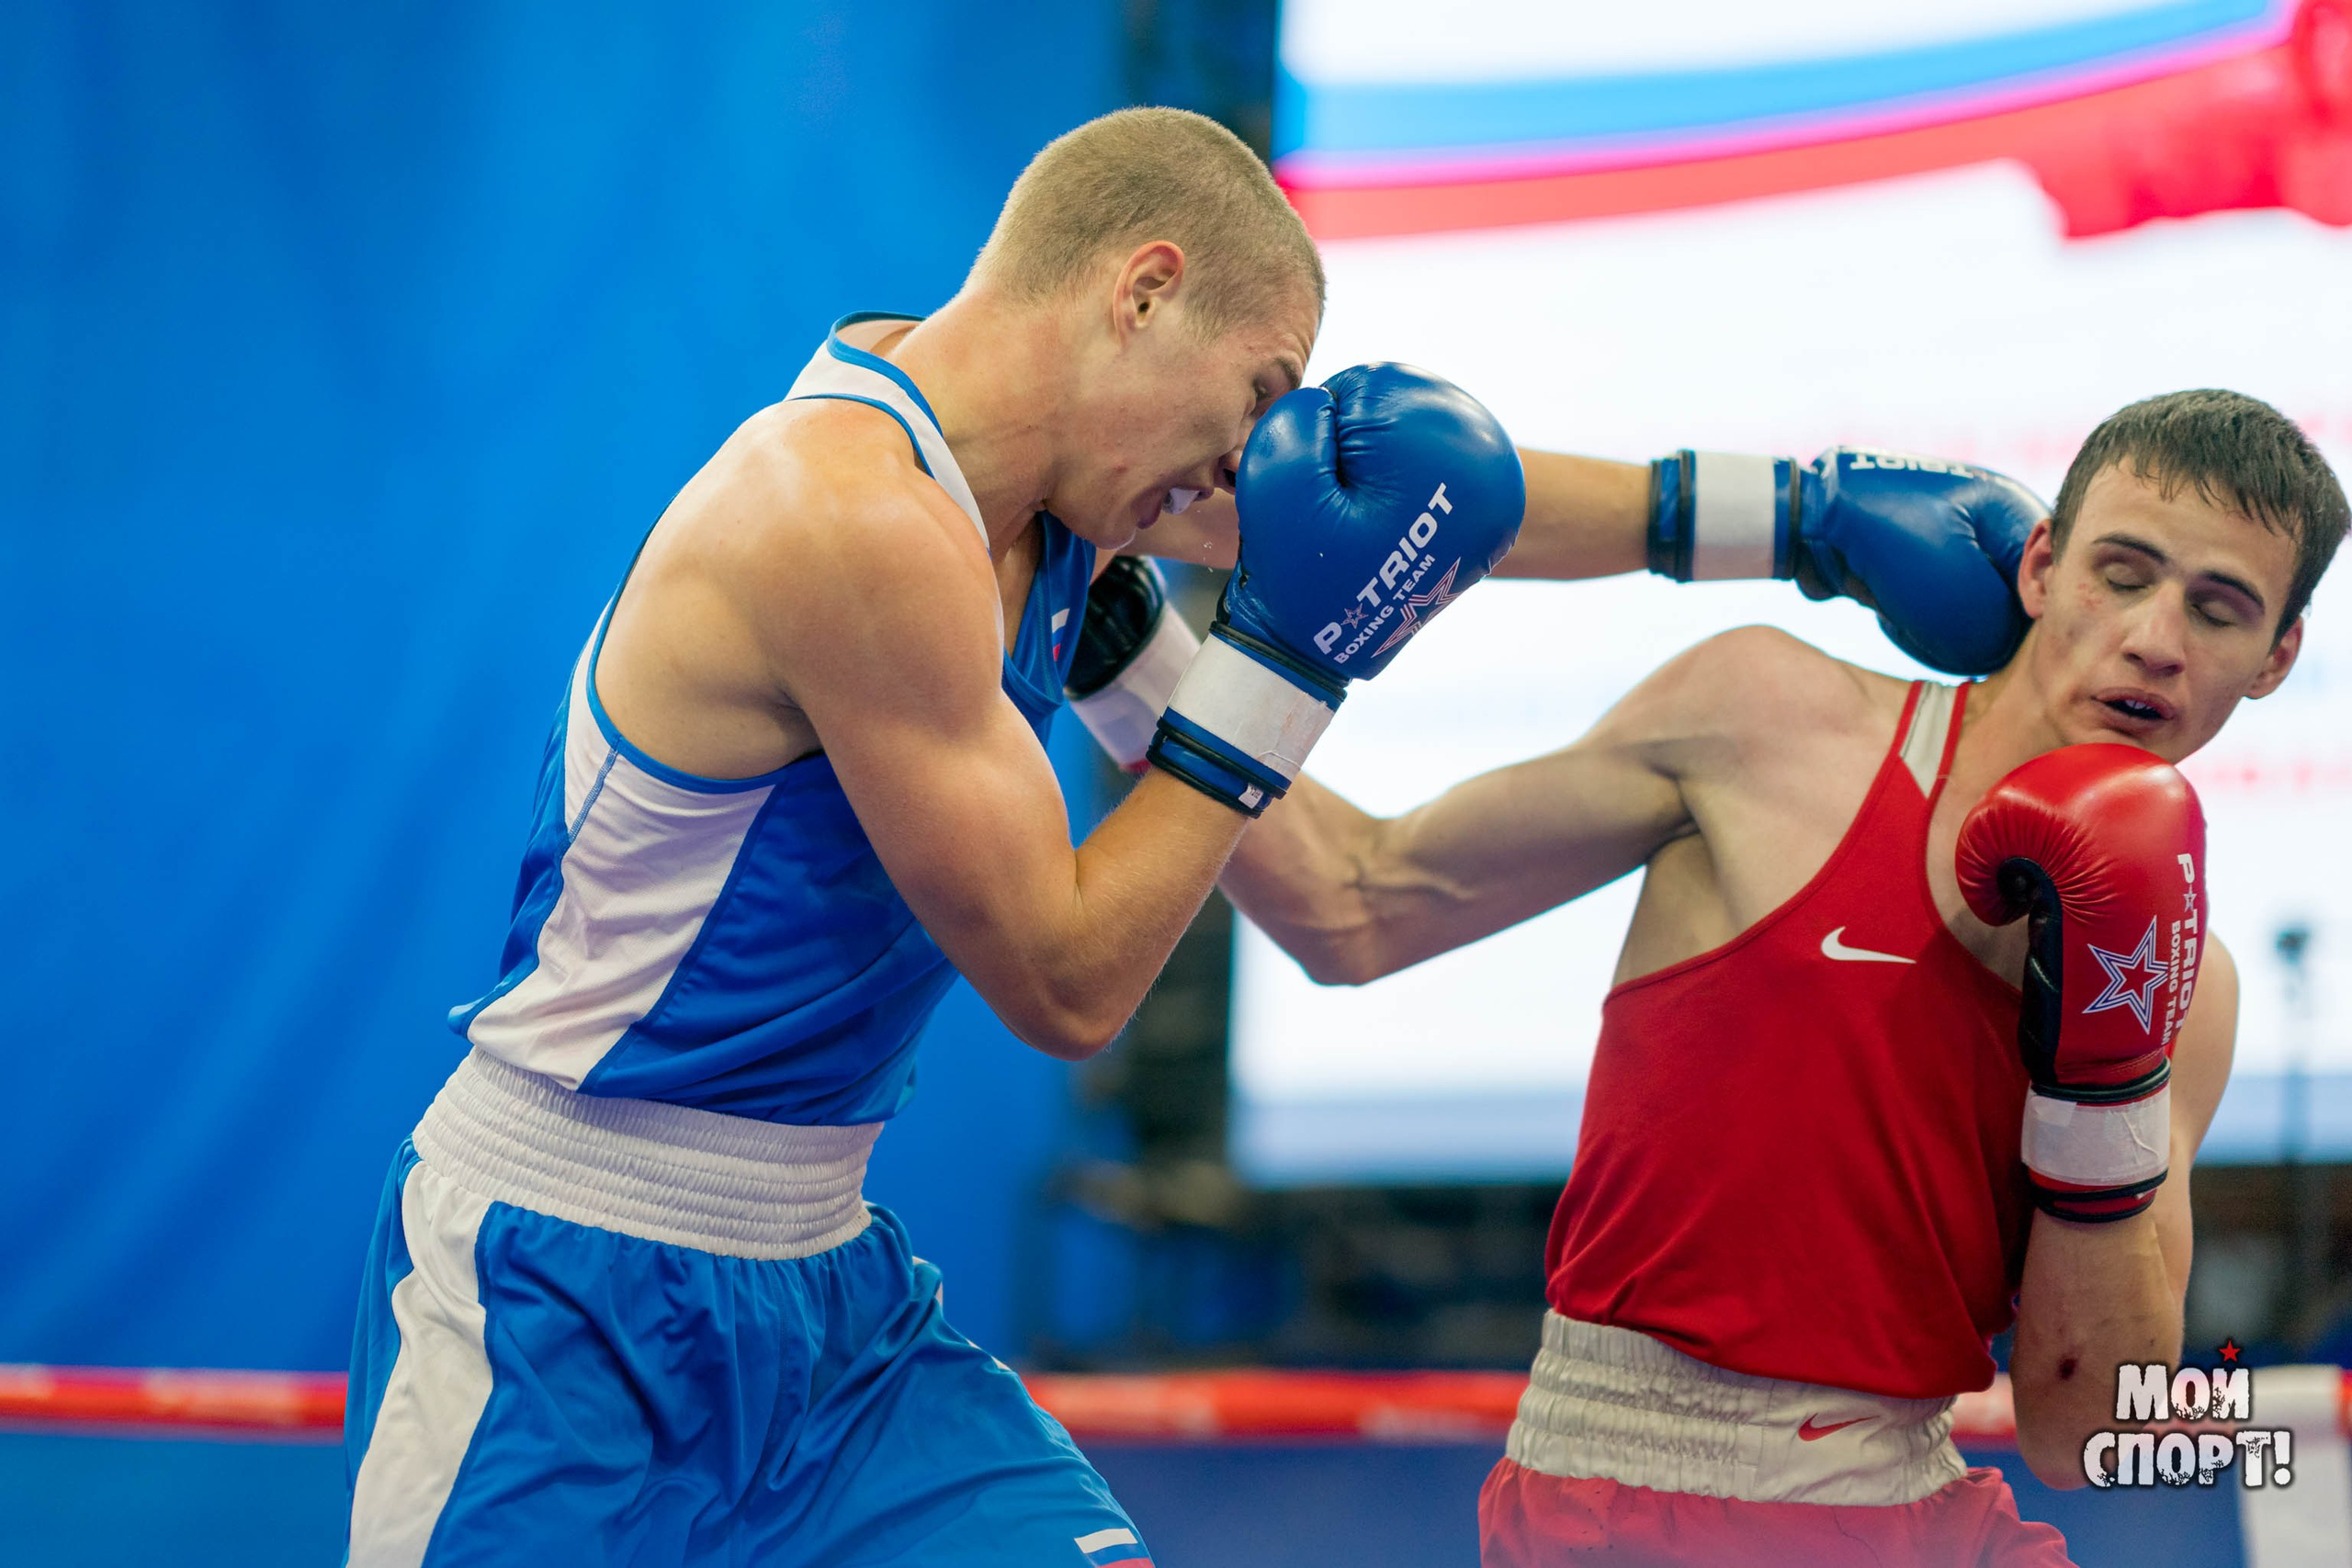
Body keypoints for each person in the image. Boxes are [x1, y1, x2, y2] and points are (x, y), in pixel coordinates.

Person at [340, 106, 1530, 1565]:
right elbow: (1069, 983)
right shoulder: (845, 518)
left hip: (828, 1308)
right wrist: (1285, 670)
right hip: (563, 1294)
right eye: (1259, 393)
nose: (1243, 464)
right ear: (1143, 292)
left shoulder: (1061, 511)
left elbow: (1451, 498)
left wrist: (1778, 519)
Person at [1074, 390, 2347, 1564]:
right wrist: (1131, 658)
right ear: (2041, 566)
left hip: (1909, 1504)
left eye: (2219, 609)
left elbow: (2093, 1434)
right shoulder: (1770, 719)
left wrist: (2105, 1079)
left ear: (2278, 656)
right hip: (1621, 1505)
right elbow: (1358, 904)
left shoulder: (2192, 989)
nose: (2155, 642)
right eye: (2122, 576)